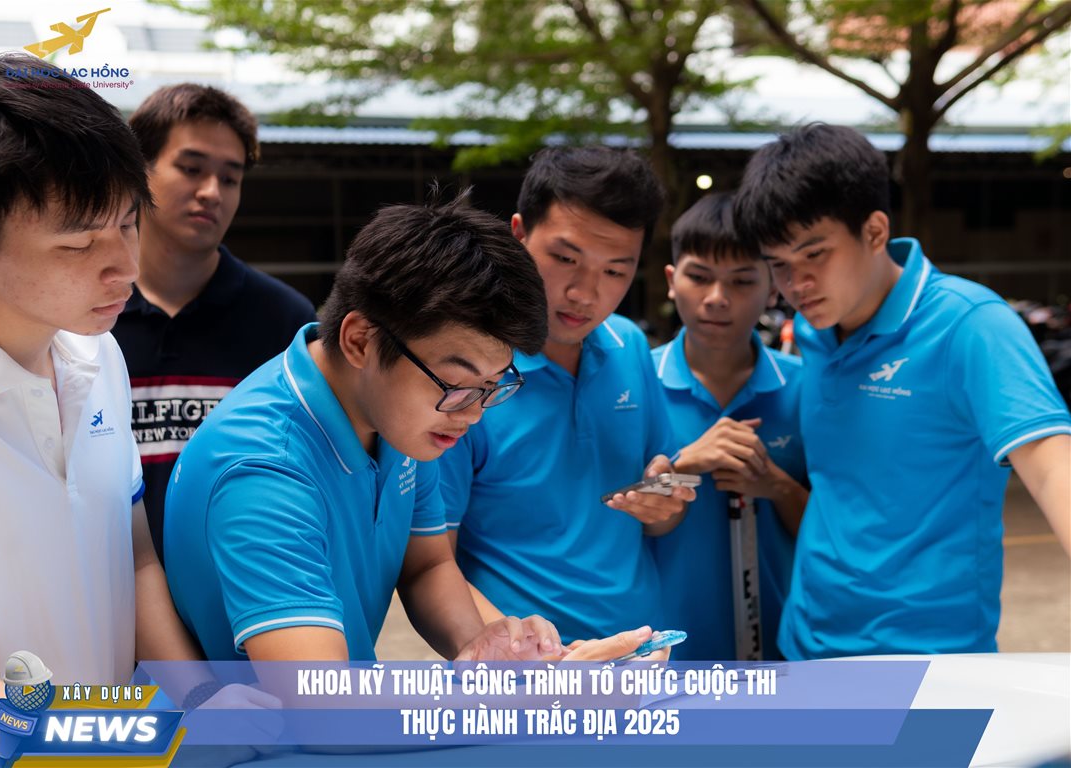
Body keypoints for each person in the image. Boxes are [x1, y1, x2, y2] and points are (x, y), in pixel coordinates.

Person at [164, 194, 570, 663]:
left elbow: (426, 564)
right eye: (457, 384)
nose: (474, 413)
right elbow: (321, 696)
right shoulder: (265, 472)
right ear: (360, 340)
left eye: (493, 386)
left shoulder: (399, 418)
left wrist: (485, 648)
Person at [732, 123, 1071, 659]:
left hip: (930, 660)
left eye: (814, 254)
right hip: (806, 643)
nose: (796, 285)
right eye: (779, 265)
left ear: (874, 231)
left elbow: (1054, 471)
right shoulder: (815, 334)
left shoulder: (971, 325)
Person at [0, 53, 219, 692]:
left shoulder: (99, 357)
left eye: (128, 224)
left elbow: (133, 554)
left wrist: (200, 699)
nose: (126, 267)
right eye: (78, 243)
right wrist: (52, 734)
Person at [438, 147, 695, 644]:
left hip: (643, 653)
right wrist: (521, 658)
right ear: (517, 235)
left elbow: (662, 514)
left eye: (615, 271)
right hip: (526, 668)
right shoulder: (465, 373)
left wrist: (664, 501)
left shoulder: (629, 346)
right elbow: (431, 563)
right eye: (565, 258)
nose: (585, 292)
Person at [112, 84, 315, 563]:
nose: (211, 192)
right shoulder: (82, 319)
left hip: (240, 590)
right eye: (191, 168)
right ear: (139, 169)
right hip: (103, 592)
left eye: (230, 177)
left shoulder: (286, 323)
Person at [652, 193, 808, 660]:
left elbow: (836, 532)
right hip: (665, 656)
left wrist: (775, 484)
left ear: (774, 288)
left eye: (742, 281)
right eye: (699, 277)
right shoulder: (633, 383)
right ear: (672, 281)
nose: (717, 298)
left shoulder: (806, 388)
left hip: (785, 655)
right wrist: (684, 466)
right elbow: (614, 516)